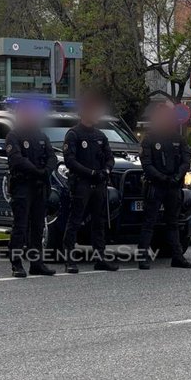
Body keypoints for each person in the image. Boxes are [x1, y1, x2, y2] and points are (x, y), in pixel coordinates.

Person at [61, 93, 119, 274]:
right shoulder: (74, 134)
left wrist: (106, 171)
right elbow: (70, 161)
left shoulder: (100, 135)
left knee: (99, 222)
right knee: (75, 221)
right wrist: (90, 173)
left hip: (99, 185)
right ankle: (69, 259)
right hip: (81, 184)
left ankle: (100, 257)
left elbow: (110, 158)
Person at [137, 100, 191, 270]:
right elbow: (146, 164)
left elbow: (186, 160)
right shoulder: (150, 139)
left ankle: (177, 256)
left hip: (173, 186)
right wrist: (162, 177)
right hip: (156, 185)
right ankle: (143, 257)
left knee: (173, 223)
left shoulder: (178, 138)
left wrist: (177, 176)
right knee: (149, 222)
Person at [6, 98, 58, 278]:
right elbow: (17, 160)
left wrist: (46, 171)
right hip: (22, 186)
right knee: (20, 226)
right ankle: (16, 264)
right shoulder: (14, 135)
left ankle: (37, 263)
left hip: (39, 186)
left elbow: (52, 157)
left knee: (37, 227)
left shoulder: (41, 135)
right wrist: (37, 171)